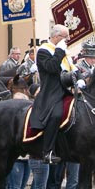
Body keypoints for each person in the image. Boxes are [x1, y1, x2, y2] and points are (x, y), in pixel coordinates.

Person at [30, 24, 75, 165]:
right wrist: (59, 51)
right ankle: (47, 151)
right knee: (55, 115)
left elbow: (70, 68)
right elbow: (51, 67)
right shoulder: (44, 51)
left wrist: (79, 78)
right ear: (56, 36)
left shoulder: (63, 51)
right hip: (51, 91)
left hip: (67, 89)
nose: (67, 40)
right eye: (64, 37)